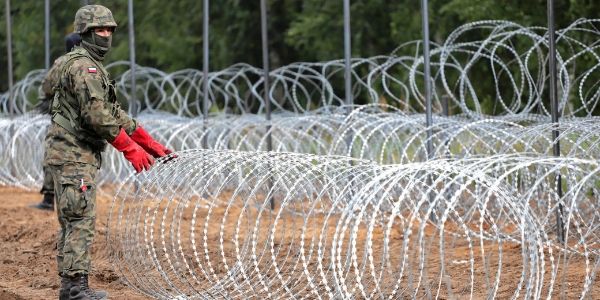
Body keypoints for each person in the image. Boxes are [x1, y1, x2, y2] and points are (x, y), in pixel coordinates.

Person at [44, 5, 173, 300]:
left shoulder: (87, 64)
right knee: (79, 220)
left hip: (72, 153)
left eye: (108, 30)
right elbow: (97, 116)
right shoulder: (84, 68)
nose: (105, 35)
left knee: (74, 219)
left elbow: (113, 112)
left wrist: (147, 141)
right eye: (99, 30)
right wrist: (128, 148)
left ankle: (72, 286)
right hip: (74, 154)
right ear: (85, 33)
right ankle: (76, 289)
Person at [32, 33, 82, 211]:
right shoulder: (92, 63)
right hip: (86, 121)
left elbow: (46, 87)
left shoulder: (62, 63)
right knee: (81, 159)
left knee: (53, 156)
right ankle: (80, 198)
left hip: (63, 120)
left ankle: (49, 199)